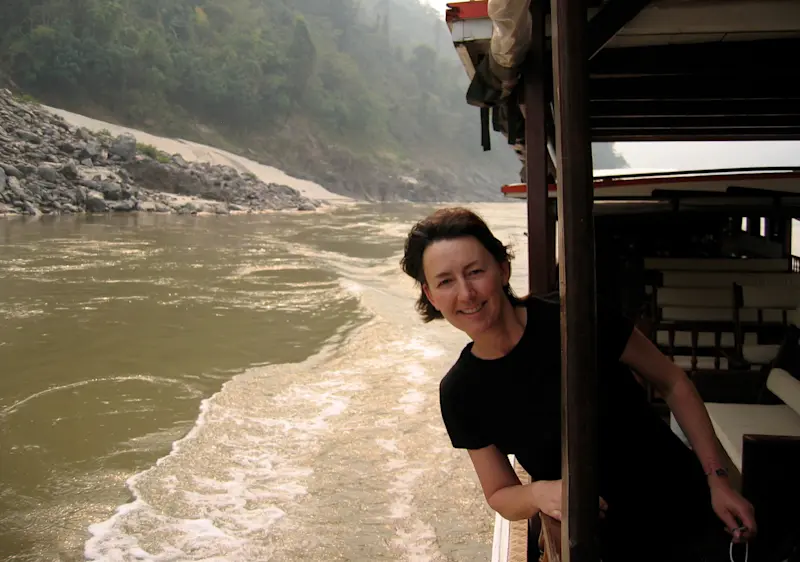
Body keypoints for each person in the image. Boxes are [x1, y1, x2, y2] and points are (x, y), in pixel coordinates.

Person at [400, 207, 757, 561]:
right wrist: (540, 493)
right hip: (600, 544)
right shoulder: (461, 391)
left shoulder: (575, 316)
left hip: (684, 504)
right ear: (431, 296)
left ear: (503, 269)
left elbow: (673, 382)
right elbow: (499, 493)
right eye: (445, 281)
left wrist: (718, 479)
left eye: (475, 272)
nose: (466, 293)